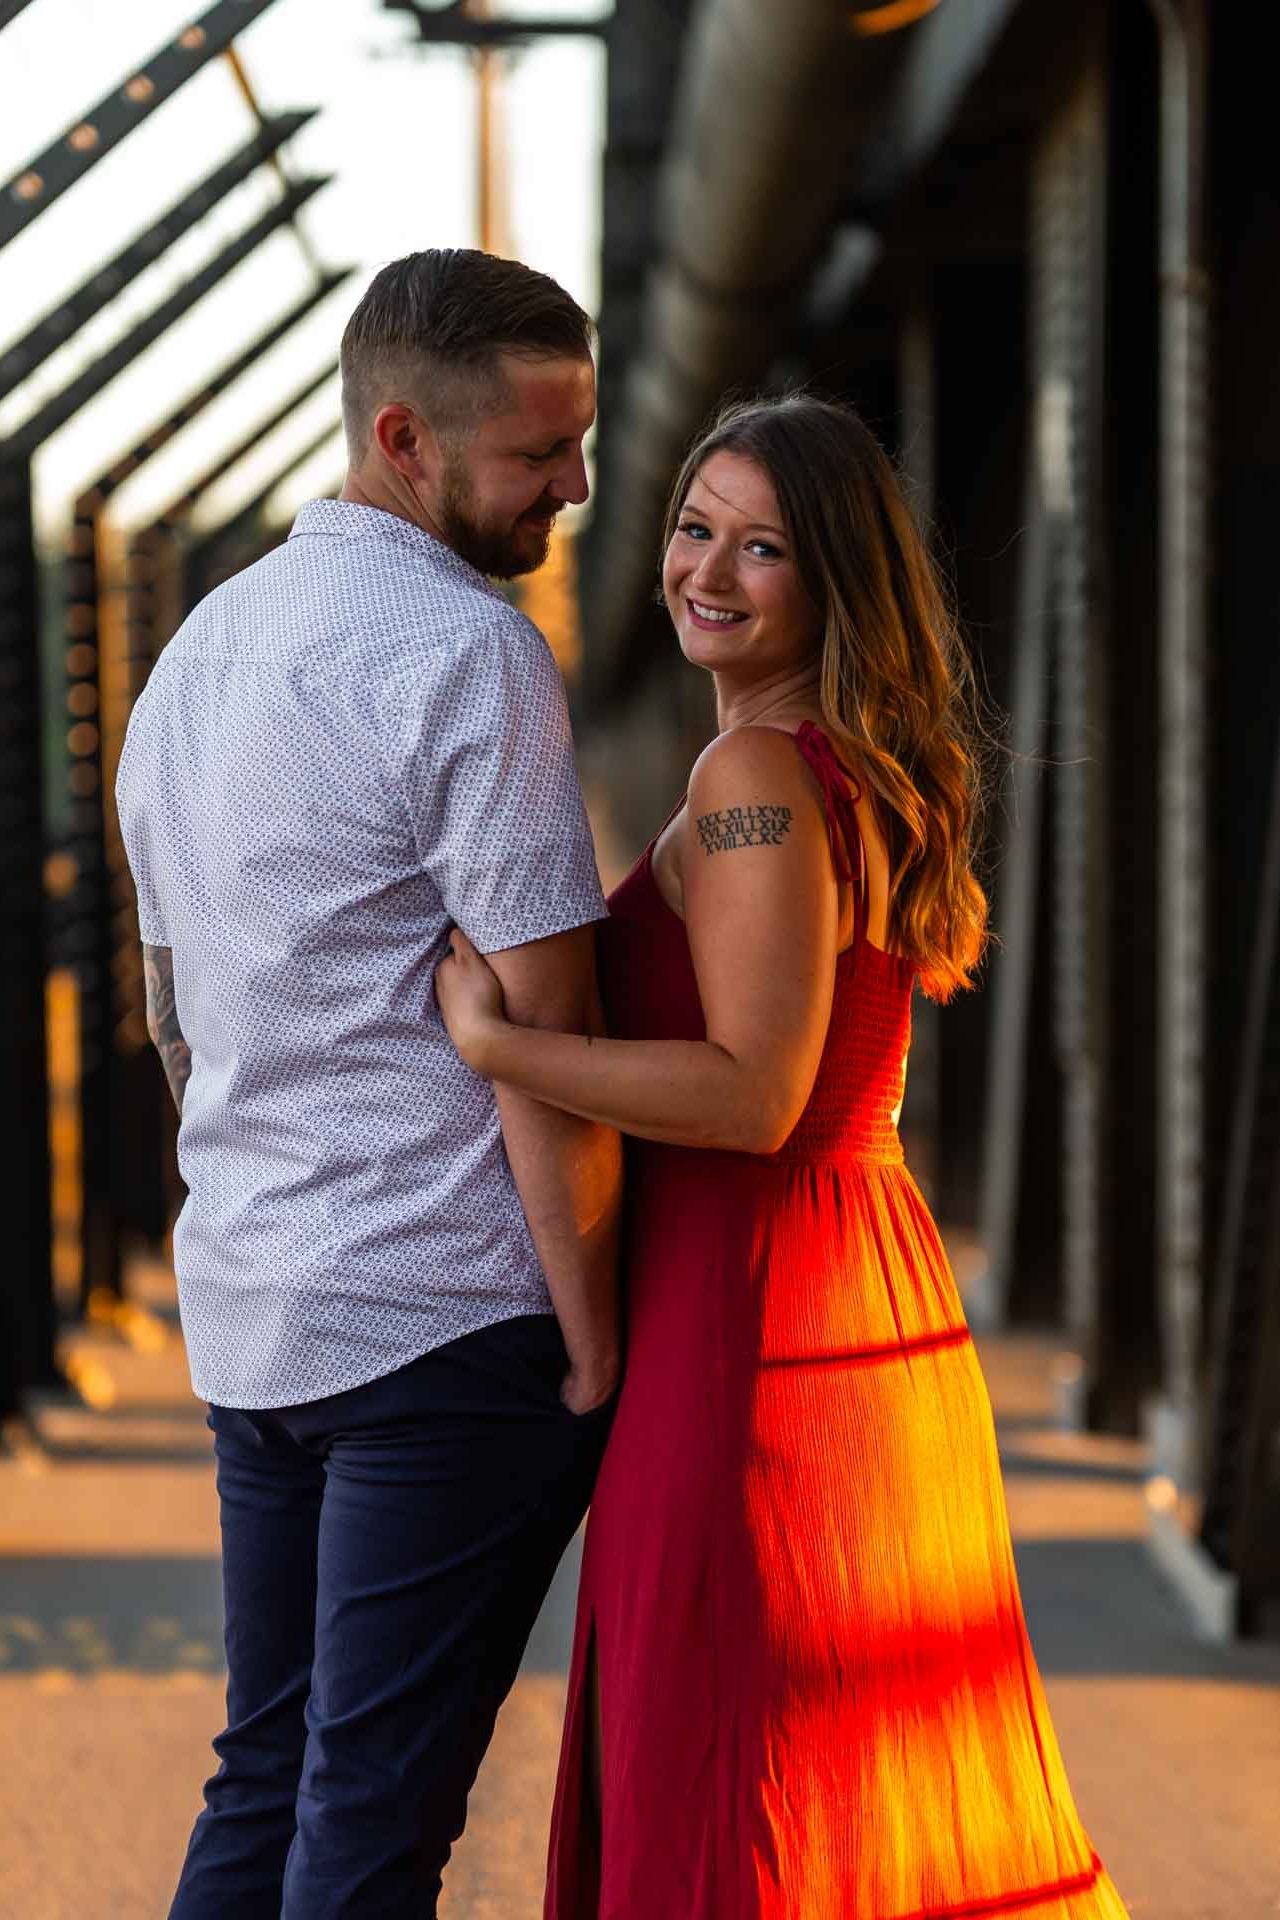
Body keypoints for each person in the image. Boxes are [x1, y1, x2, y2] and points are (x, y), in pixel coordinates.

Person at [436, 393, 1129, 1919]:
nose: (708, 572)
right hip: (848, 1293)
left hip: (755, 1318)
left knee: (732, 1771)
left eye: (764, 549)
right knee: (818, 1784)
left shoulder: (753, 782)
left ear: (835, 583)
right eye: (694, 528)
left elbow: (753, 1096)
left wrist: (499, 1048)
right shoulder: (839, 763)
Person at [115, 249, 623, 1920]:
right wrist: (594, 1331)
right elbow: (551, 1039)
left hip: (258, 1308)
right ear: (403, 438)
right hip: (446, 1317)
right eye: (535, 456)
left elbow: (171, 1008)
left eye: (580, 443)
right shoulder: (467, 654)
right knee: (373, 1820)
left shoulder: (200, 649)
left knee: (271, 1773)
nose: (573, 486)